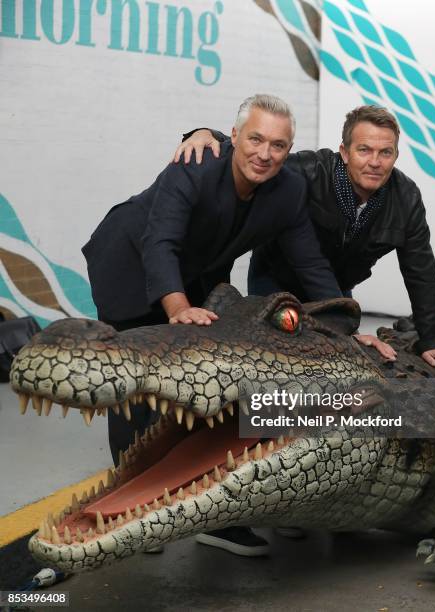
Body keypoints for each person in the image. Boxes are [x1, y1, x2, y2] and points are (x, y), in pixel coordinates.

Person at [82, 94, 343, 556]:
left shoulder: (288, 191)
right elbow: (159, 241)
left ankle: (207, 512)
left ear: (289, 150)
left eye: (278, 145)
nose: (265, 153)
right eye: (256, 139)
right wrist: (178, 307)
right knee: (137, 388)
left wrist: (345, 322)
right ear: (234, 137)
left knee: (207, 382)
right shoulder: (196, 163)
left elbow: (312, 262)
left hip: (196, 268)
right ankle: (133, 511)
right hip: (129, 261)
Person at [174, 105, 435, 377]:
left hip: (334, 286)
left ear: (396, 156)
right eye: (364, 150)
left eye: (385, 153)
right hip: (275, 279)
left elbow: (421, 273)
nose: (375, 162)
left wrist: (433, 340)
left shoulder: (407, 199)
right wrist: (207, 135)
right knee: (273, 358)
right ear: (345, 152)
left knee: (336, 358)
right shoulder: (308, 170)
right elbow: (261, 158)